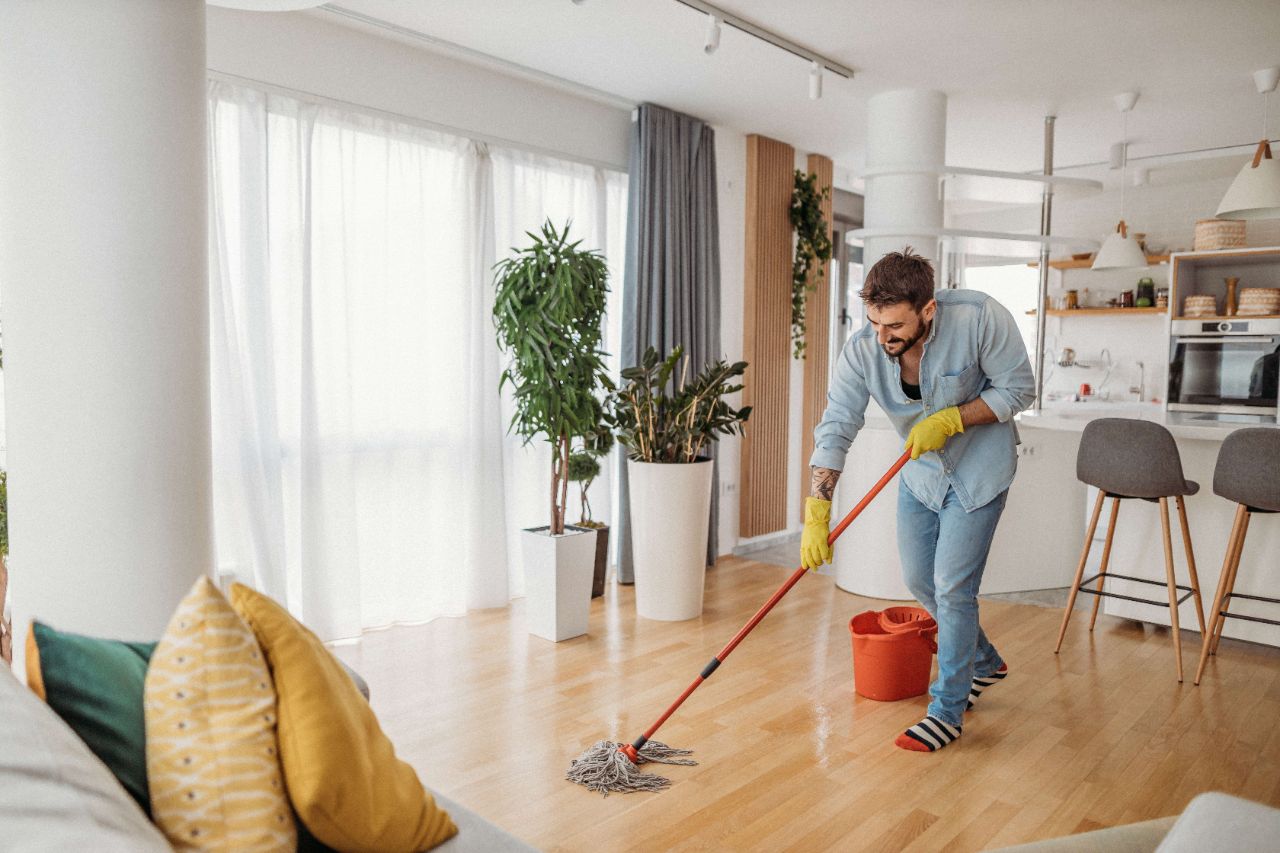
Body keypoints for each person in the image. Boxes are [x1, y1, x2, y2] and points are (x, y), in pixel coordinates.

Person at [803, 247, 1034, 752]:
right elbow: (837, 423)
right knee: (918, 580)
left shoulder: (979, 318)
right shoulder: (864, 348)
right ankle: (984, 662)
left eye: (895, 327)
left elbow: (1019, 390)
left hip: (979, 471)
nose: (882, 338)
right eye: (874, 323)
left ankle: (947, 710)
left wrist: (953, 418)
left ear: (928, 310)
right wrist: (817, 509)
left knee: (952, 589)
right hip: (921, 473)